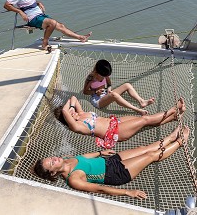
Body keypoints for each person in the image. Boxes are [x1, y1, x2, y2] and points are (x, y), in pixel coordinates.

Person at [33, 125, 190, 199]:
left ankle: (170, 137)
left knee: (144, 148)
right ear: (53, 172)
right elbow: (100, 189)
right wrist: (128, 192)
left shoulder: (66, 160)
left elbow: (84, 158)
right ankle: (179, 142)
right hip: (116, 174)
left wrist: (101, 152)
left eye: (51, 158)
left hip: (110, 161)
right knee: (150, 156)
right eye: (52, 163)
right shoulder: (73, 179)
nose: (54, 159)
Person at [54, 95, 186, 148]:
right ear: (67, 119)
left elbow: (73, 98)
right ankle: (174, 109)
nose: (72, 112)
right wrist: (68, 112)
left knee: (147, 121)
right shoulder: (76, 126)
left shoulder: (81, 113)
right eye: (70, 114)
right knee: (145, 119)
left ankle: (173, 117)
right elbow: (65, 112)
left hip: (115, 122)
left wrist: (71, 107)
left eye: (71, 110)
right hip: (116, 132)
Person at [3, 0, 92, 51]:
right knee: (52, 23)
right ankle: (44, 44)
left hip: (40, 15)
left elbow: (28, 2)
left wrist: (39, 3)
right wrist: (20, 12)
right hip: (32, 18)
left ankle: (81, 37)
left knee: (61, 26)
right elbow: (6, 5)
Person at [83, 59, 155, 115]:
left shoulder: (105, 75)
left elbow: (109, 84)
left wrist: (109, 90)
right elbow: (85, 92)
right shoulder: (91, 78)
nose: (105, 77)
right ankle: (137, 110)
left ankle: (142, 101)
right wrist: (95, 92)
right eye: (103, 76)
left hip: (105, 94)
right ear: (98, 72)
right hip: (97, 100)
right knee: (114, 95)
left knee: (127, 85)